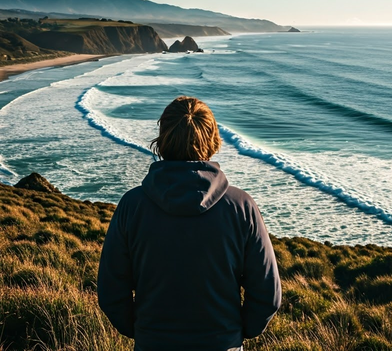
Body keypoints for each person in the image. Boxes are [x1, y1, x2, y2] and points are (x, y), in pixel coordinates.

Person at [97, 96, 281, 351]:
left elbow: (111, 291)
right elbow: (267, 294)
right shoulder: (241, 206)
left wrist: (144, 332)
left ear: (162, 140)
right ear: (213, 141)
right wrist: (235, 333)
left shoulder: (132, 205)